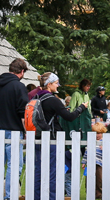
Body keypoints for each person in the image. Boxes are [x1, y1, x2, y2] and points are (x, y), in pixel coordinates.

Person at [31, 72, 87, 200]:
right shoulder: (52, 100)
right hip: (51, 140)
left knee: (38, 171)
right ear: (49, 84)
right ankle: (51, 197)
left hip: (38, 138)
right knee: (52, 172)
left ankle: (37, 197)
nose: (58, 86)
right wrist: (81, 108)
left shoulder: (35, 98)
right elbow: (70, 117)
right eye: (56, 83)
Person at [0, 57, 29, 198]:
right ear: (22, 71)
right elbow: (23, 112)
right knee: (14, 165)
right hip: (14, 130)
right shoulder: (19, 87)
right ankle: (9, 195)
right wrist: (27, 131)